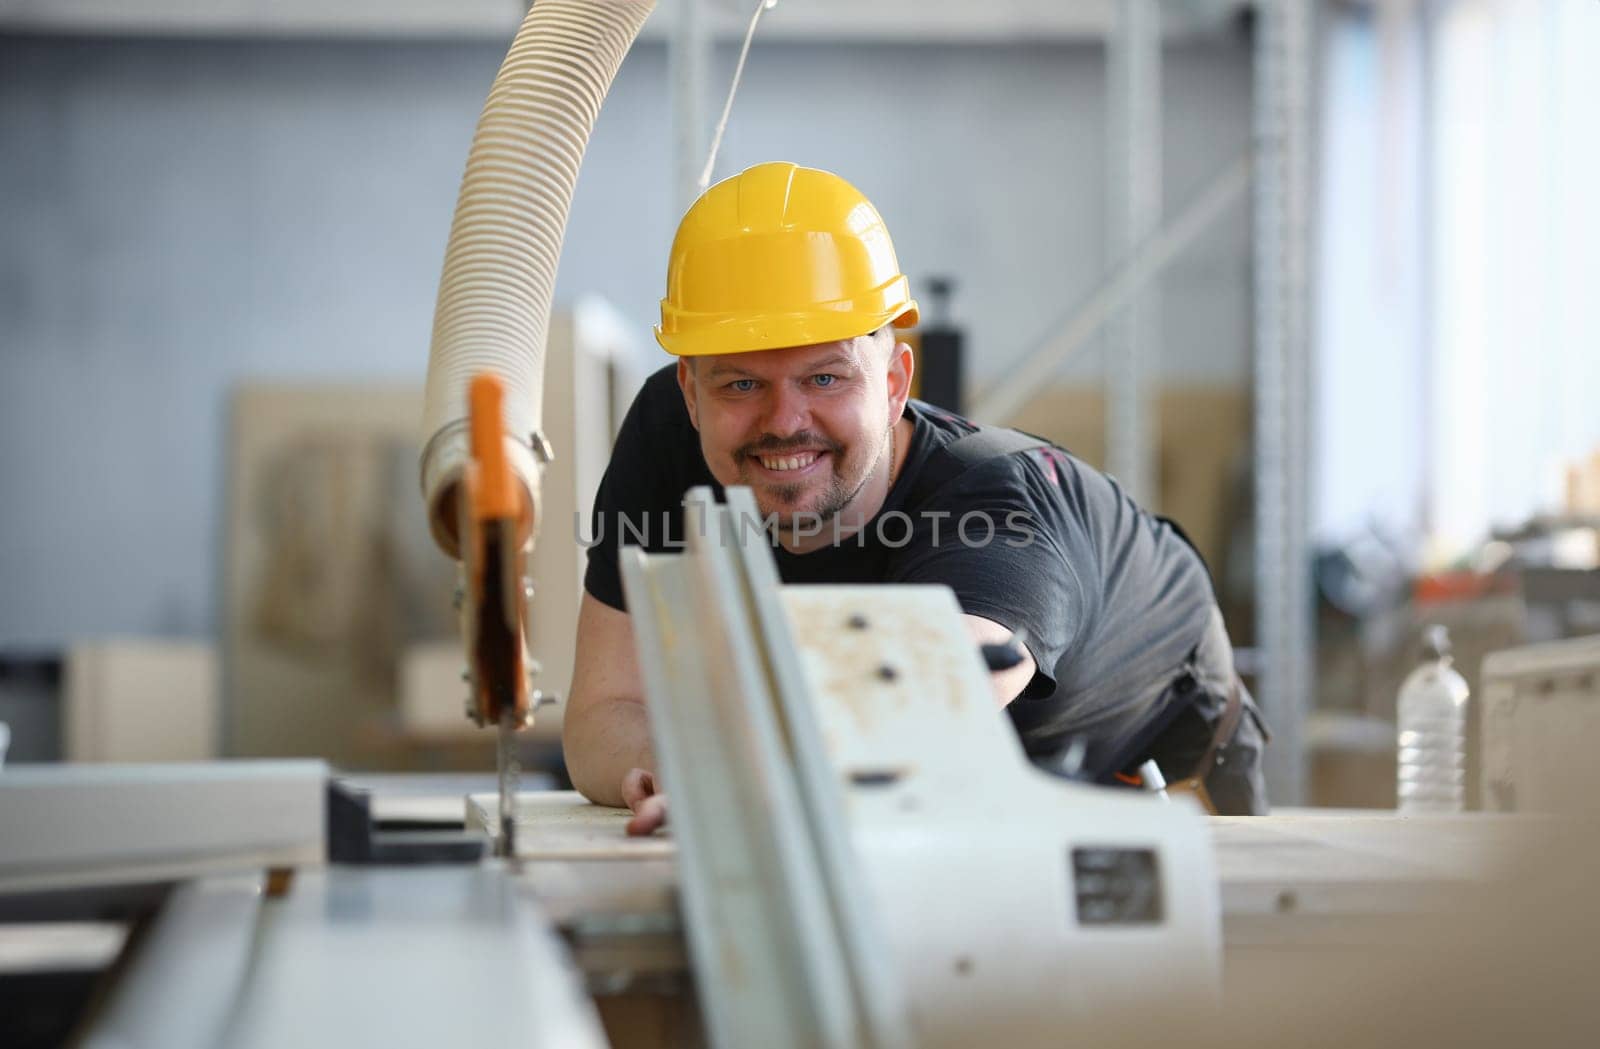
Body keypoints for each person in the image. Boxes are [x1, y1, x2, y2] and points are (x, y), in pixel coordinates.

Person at [562, 161, 1268, 831]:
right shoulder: (668, 435)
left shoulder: (997, 512)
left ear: (897, 381)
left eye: (826, 377)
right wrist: (671, 768)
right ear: (690, 391)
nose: (783, 420)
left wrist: (730, 780)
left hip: (1163, 765)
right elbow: (603, 714)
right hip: (960, 786)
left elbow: (917, 714)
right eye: (741, 383)